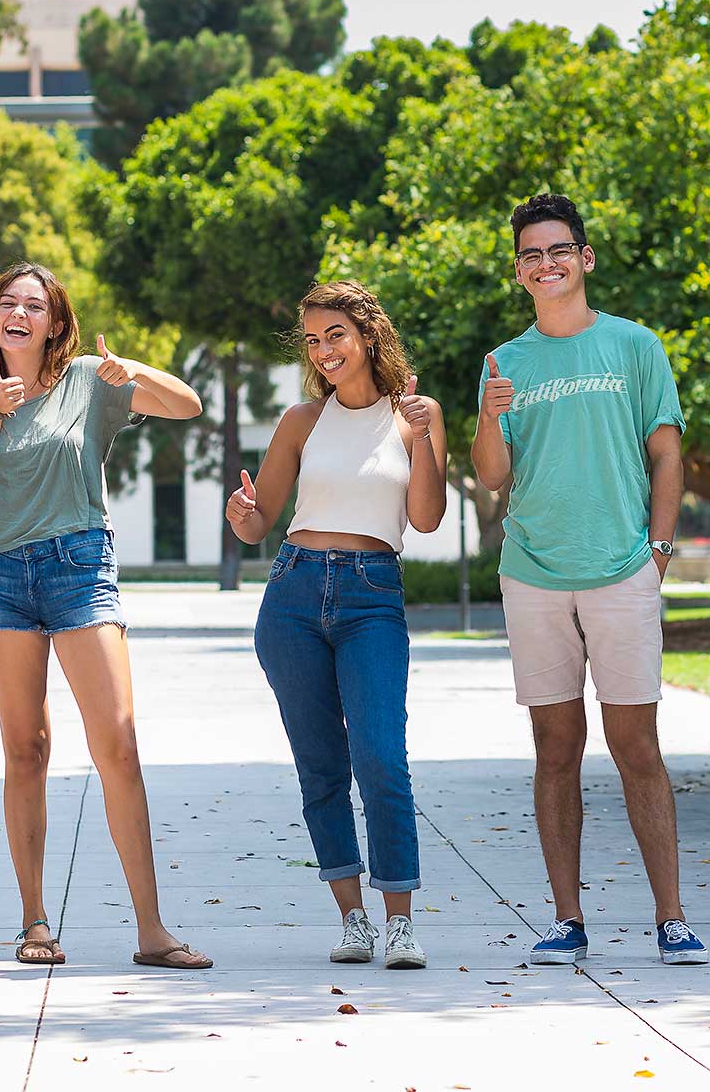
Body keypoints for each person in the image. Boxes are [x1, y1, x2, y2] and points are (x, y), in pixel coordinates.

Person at [0, 262, 212, 970]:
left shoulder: (91, 380)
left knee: (117, 745)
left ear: (55, 323)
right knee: (25, 750)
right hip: (3, 577)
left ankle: (152, 929)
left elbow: (187, 404)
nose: (20, 312)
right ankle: (35, 924)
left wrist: (136, 373)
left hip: (79, 568)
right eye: (8, 302)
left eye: (34, 305)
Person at [470, 193, 707, 967]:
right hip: (534, 573)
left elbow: (666, 454)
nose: (546, 264)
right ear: (519, 271)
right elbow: (494, 476)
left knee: (637, 743)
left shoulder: (635, 346)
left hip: (620, 571)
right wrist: (488, 416)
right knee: (554, 747)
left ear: (585, 257)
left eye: (558, 250)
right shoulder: (504, 362)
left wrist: (658, 551)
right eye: (531, 255)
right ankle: (567, 919)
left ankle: (671, 918)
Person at [228, 280, 446, 969]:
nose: (324, 351)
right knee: (320, 766)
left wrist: (422, 438)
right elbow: (261, 517)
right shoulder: (300, 421)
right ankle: (352, 918)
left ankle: (401, 921)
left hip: (372, 594)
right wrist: (243, 517)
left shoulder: (414, 413)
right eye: (314, 340)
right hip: (293, 593)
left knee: (381, 756)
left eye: (337, 336)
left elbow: (429, 518)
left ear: (368, 336)